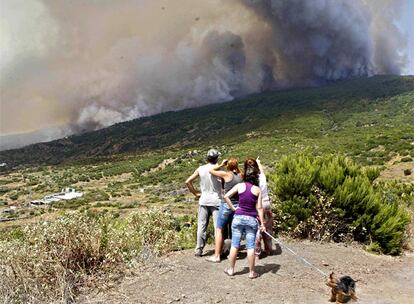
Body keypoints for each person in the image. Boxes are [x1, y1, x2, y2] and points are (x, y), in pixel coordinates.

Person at [223, 158, 265, 279]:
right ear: (255, 177)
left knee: (235, 245)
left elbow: (226, 196)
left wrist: (233, 208)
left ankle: (231, 270)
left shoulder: (240, 186)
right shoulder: (258, 190)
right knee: (250, 246)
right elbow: (260, 208)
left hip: (238, 217)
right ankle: (252, 273)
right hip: (251, 219)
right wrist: (262, 223)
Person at [185, 149, 222, 257]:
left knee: (201, 226)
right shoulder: (218, 168)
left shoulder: (200, 169)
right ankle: (218, 250)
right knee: (217, 227)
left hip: (203, 200)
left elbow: (188, 181)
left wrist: (195, 193)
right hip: (216, 201)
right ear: (216, 158)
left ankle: (199, 249)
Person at [206, 158, 242, 263]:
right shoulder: (241, 176)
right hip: (237, 205)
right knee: (235, 229)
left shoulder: (226, 175)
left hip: (226, 205)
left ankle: (217, 256)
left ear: (228, 166)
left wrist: (221, 164)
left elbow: (211, 171)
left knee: (219, 229)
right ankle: (234, 253)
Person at [255, 157, 273, 257]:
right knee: (268, 227)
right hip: (266, 203)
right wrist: (259, 163)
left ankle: (257, 251)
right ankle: (269, 249)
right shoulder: (262, 177)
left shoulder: (253, 181)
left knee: (258, 228)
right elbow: (262, 171)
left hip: (258, 205)